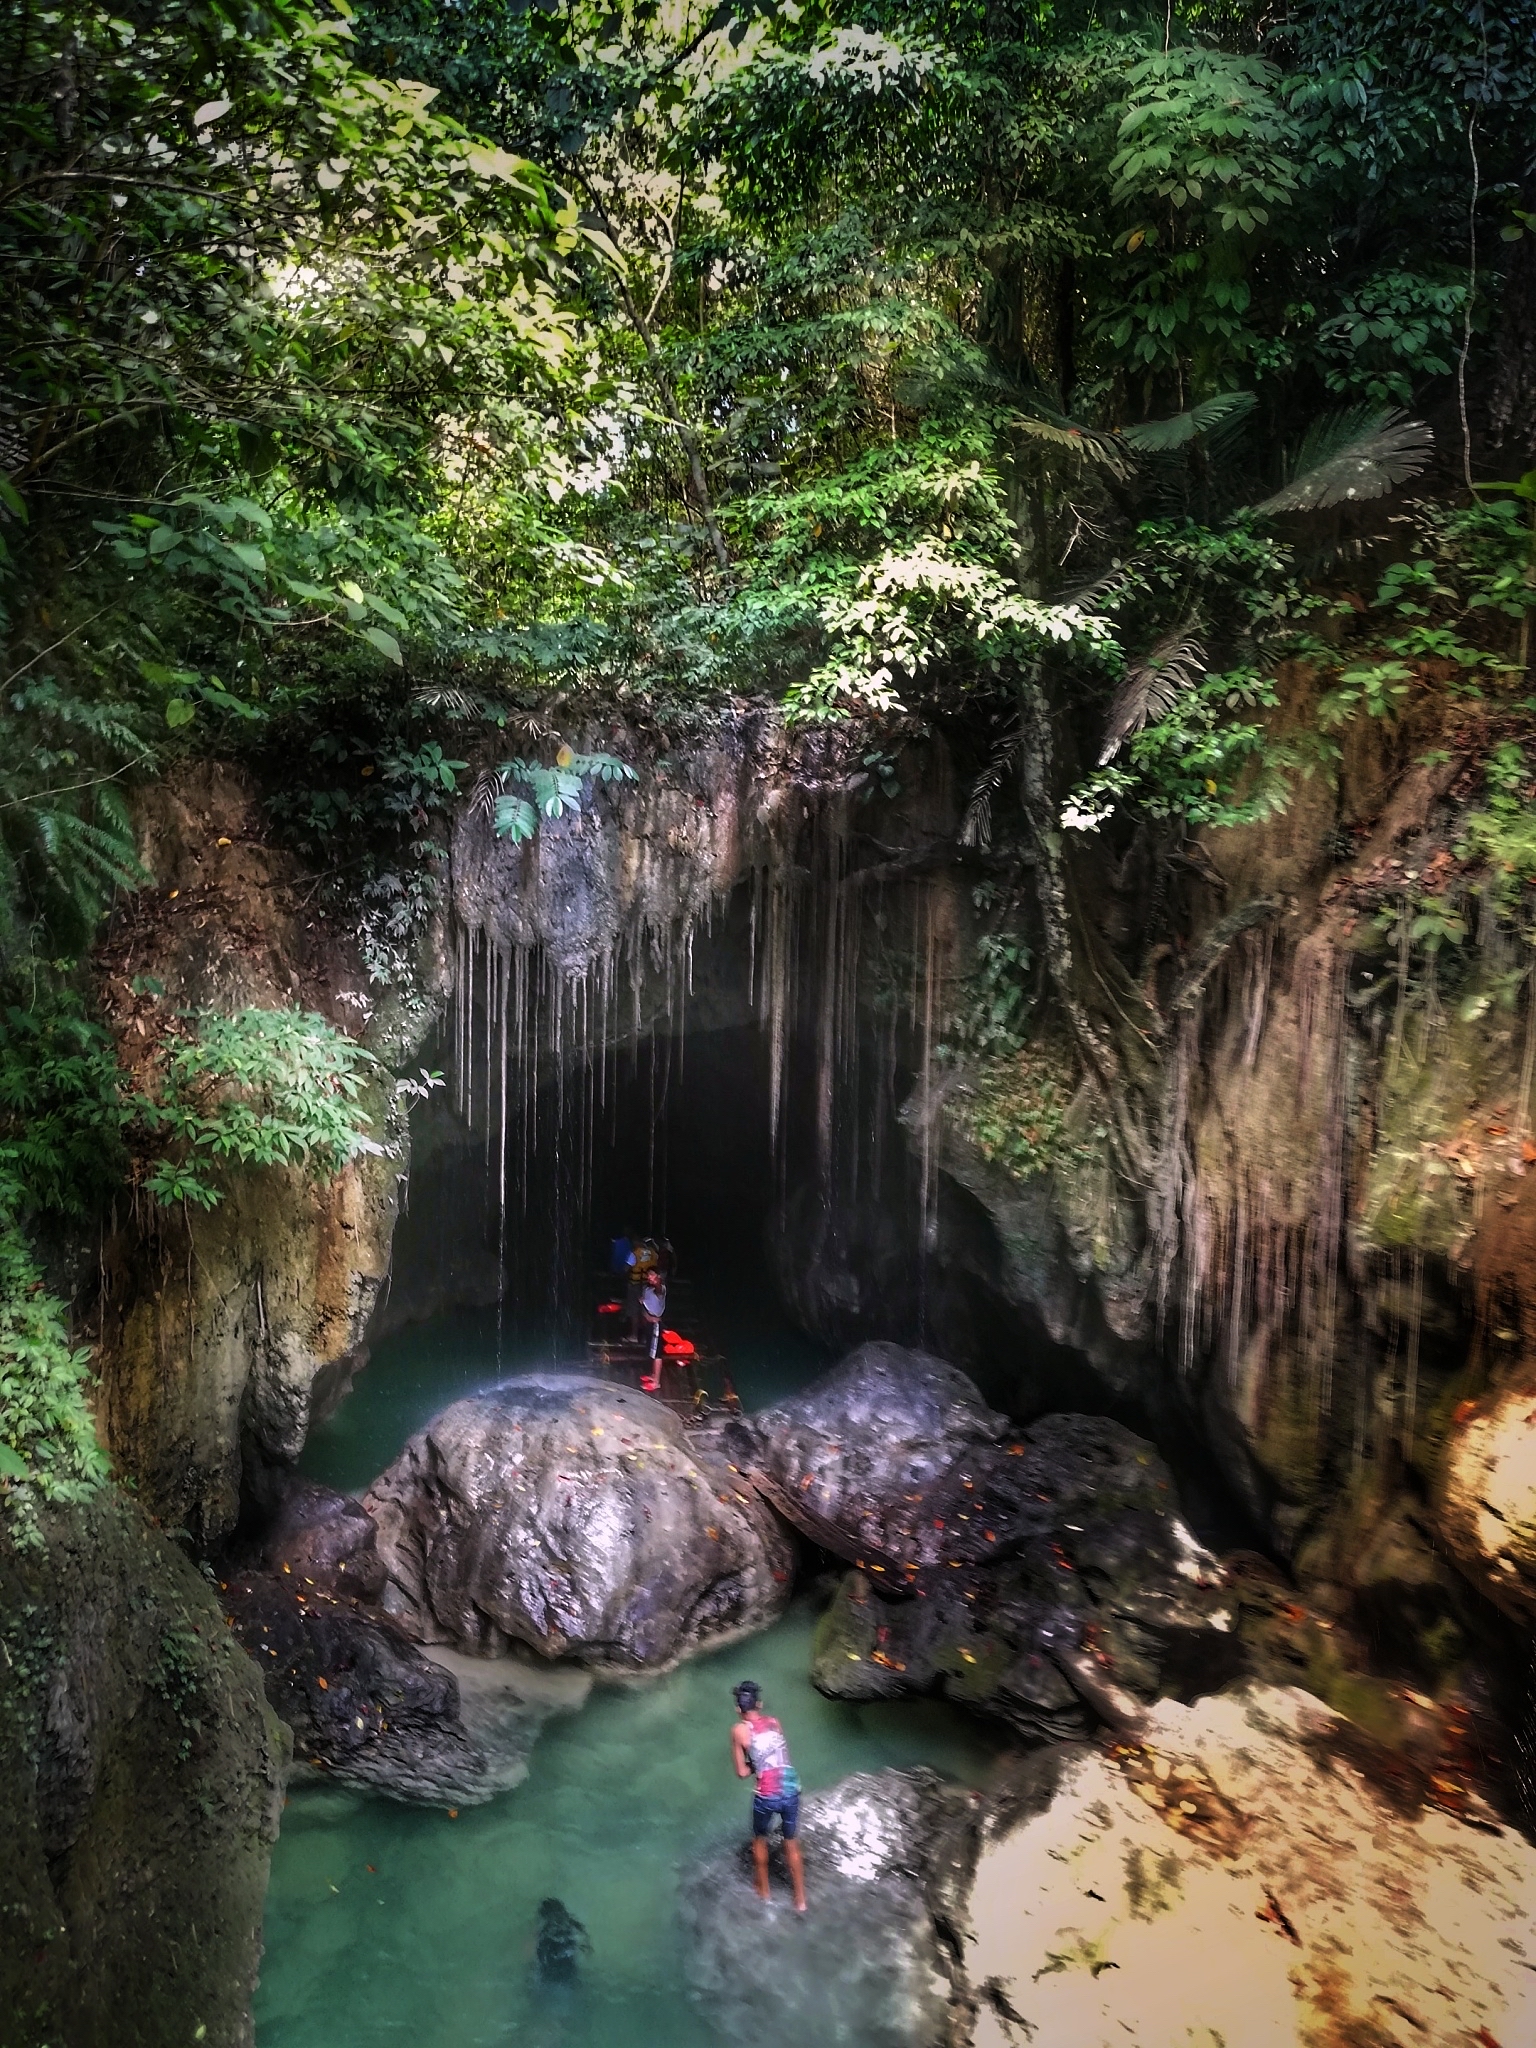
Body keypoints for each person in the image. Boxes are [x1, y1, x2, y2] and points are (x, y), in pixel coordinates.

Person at [730, 1680, 806, 1912]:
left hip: (767, 1795)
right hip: (791, 1789)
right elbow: (783, 1759)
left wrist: (755, 1765)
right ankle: (800, 1899)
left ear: (737, 1709)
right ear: (759, 1704)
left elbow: (742, 1772)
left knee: (759, 1839)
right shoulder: (774, 1722)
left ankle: (763, 1891)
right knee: (791, 1843)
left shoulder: (738, 1731)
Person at [533, 1896, 591, 1986]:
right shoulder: (570, 1926)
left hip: (554, 1974)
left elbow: (541, 1955)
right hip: (565, 1972)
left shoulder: (547, 1931)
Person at [638, 1268, 667, 1388]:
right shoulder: (647, 1289)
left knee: (657, 1352)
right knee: (651, 1349)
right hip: (648, 1321)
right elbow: (643, 1302)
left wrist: (657, 1280)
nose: (649, 1277)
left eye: (652, 1275)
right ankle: (653, 1375)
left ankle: (657, 1381)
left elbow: (659, 1290)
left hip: (656, 1323)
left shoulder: (660, 1289)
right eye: (648, 1275)